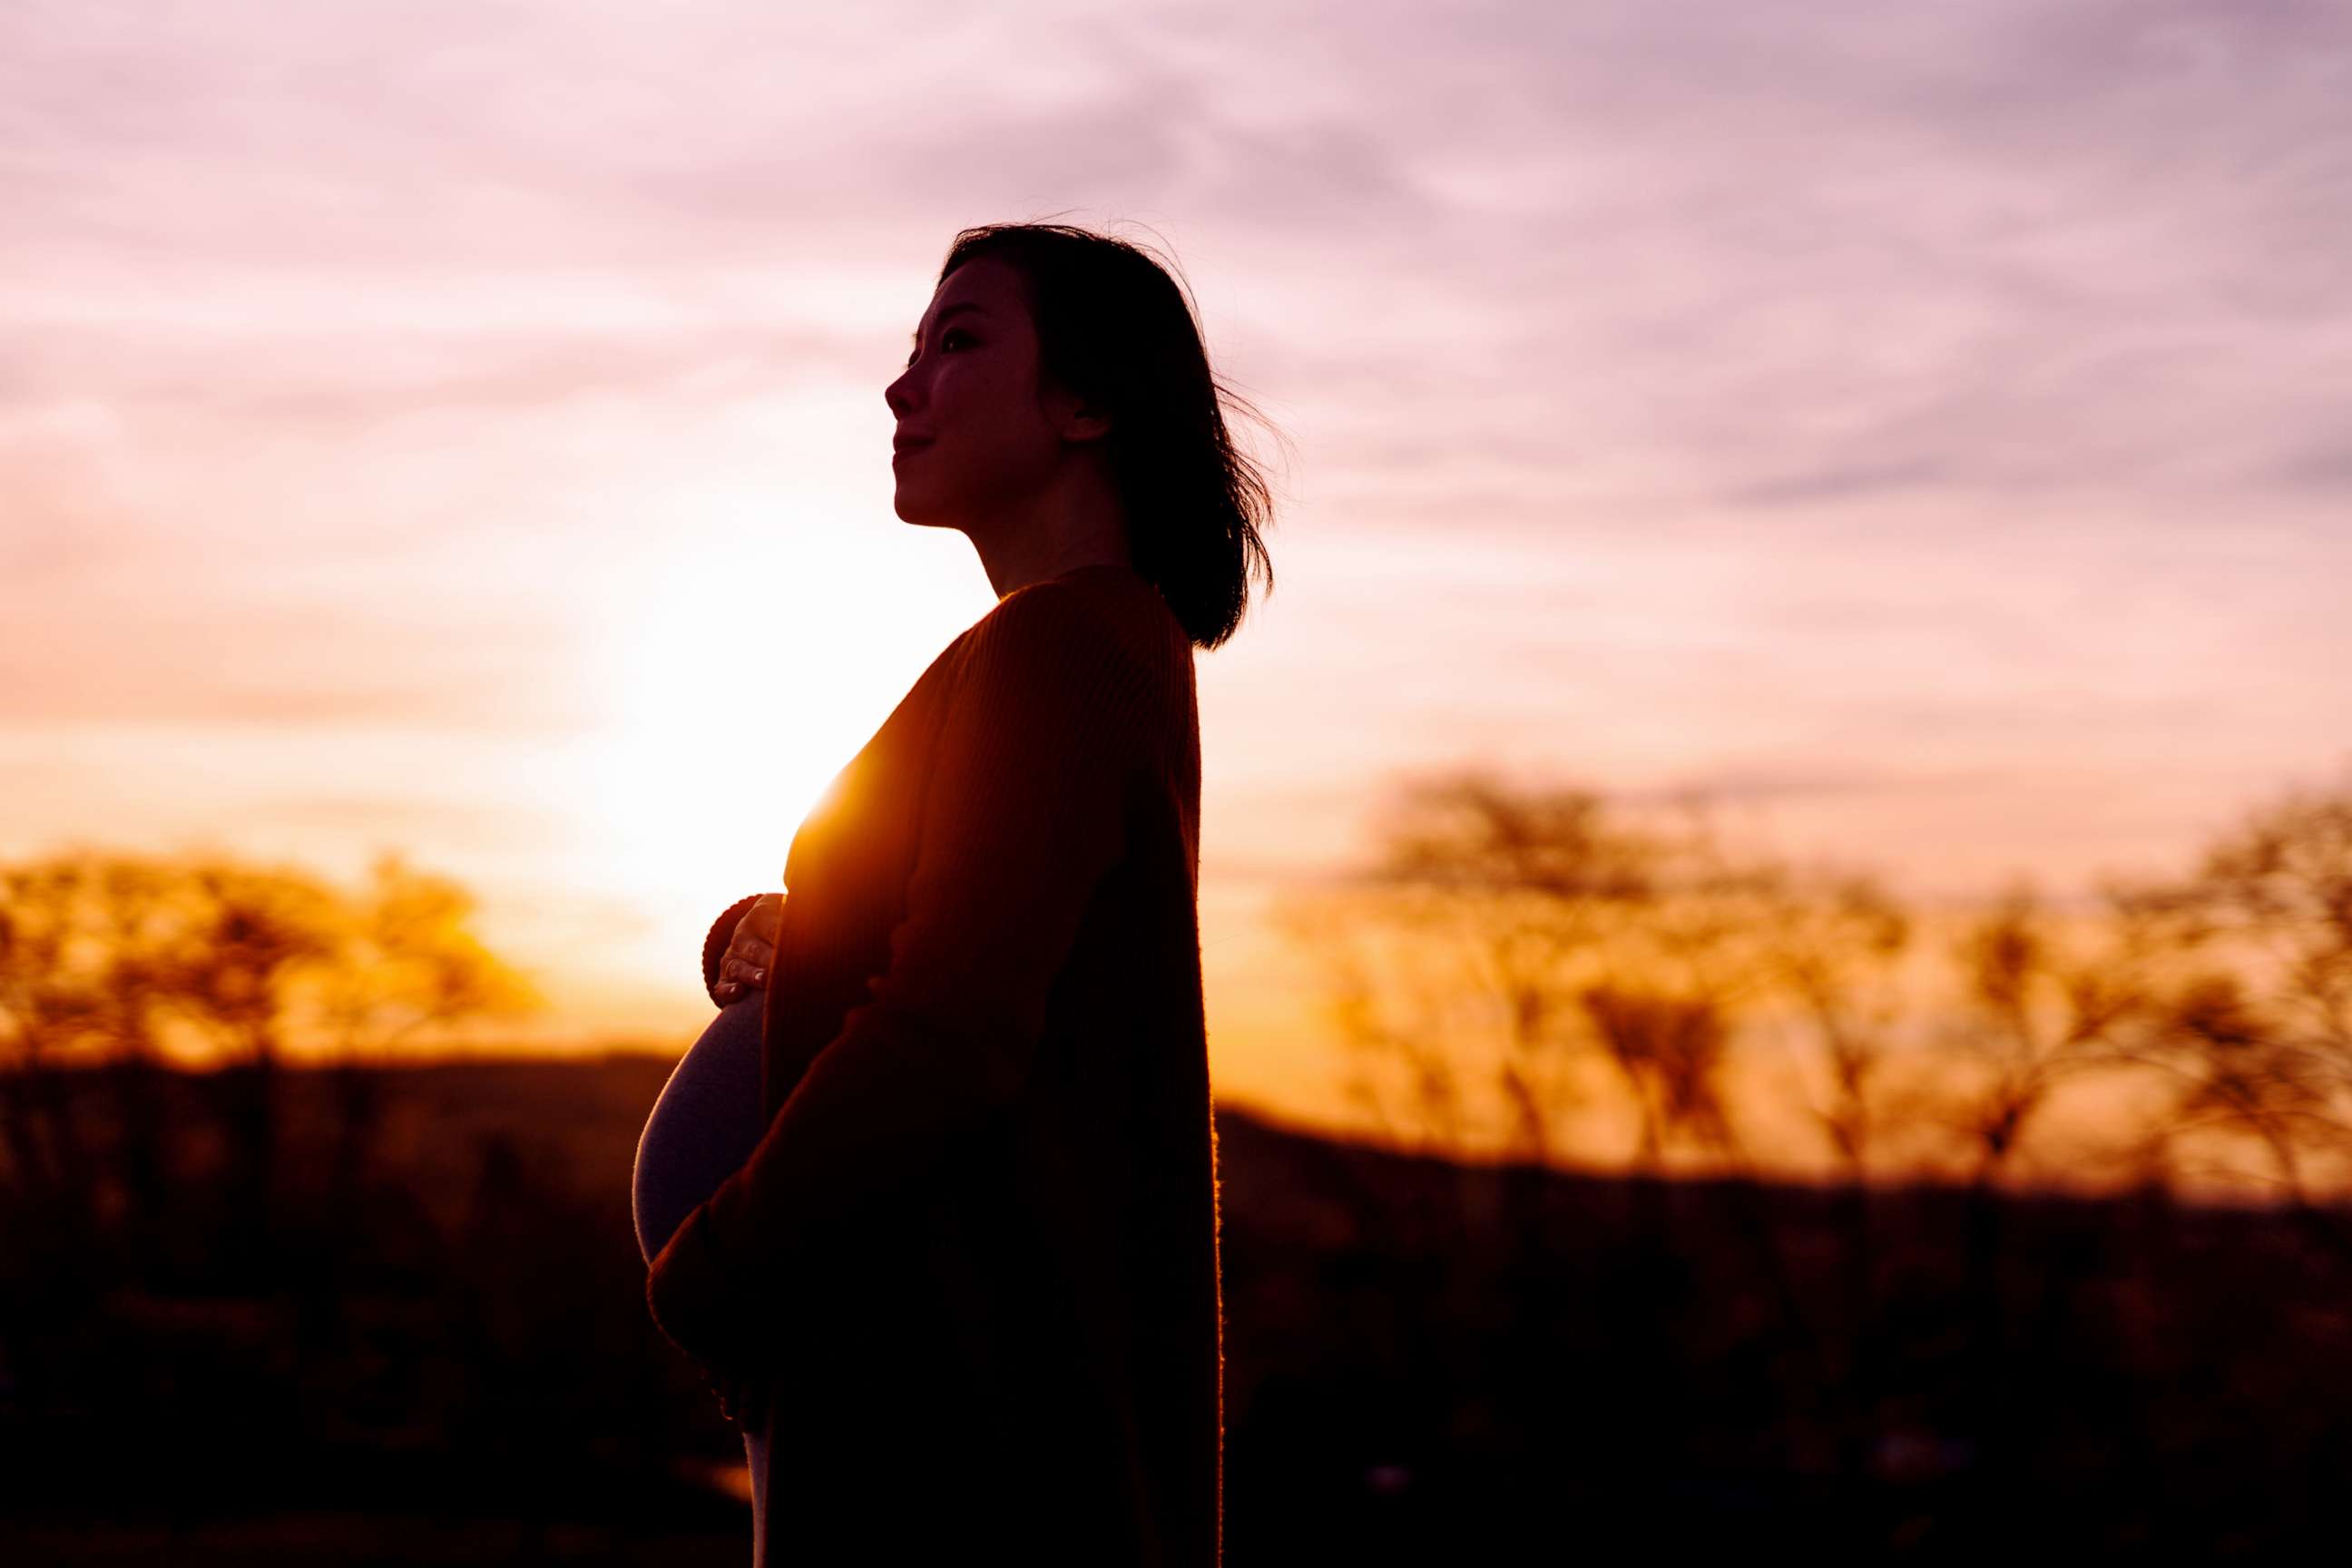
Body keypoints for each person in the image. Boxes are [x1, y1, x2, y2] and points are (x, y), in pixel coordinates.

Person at [639, 220, 1280, 1565]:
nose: (901, 384)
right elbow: (1000, 948)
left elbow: (951, 1034)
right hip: (907, 1388)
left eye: (960, 340)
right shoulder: (1069, 653)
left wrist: (710, 1273)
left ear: (1090, 402)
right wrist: (794, 933)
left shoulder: (1062, 646)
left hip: (953, 1429)